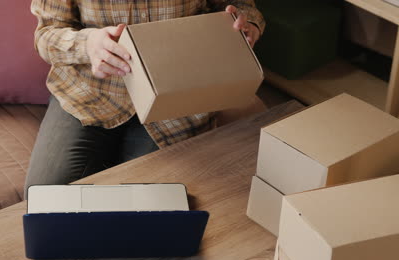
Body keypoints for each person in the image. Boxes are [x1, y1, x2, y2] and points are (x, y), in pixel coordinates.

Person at [24, 0, 265, 198]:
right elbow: (46, 34)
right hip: (88, 95)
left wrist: (245, 25)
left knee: (146, 208)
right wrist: (87, 44)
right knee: (46, 200)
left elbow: (240, 6)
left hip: (175, 97)